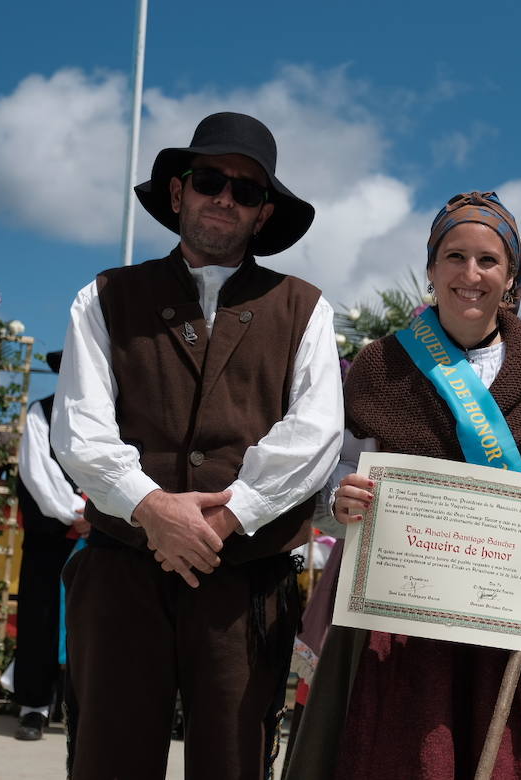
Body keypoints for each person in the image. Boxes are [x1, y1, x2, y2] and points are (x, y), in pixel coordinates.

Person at [52, 112, 344, 779]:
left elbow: (315, 433)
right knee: (108, 759)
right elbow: (80, 428)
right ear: (179, 191)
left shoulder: (305, 307)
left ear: (263, 213)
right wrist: (152, 508)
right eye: (210, 179)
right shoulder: (104, 297)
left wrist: (225, 516)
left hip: (243, 580)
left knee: (235, 763)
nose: (224, 198)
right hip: (122, 569)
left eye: (245, 191)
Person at [293, 190, 521, 780]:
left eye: (488, 261)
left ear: (511, 278)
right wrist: (339, 497)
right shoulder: (381, 364)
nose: (470, 274)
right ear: (432, 269)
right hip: (399, 621)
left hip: (505, 623)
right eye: (454, 257)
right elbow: (337, 467)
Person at [12, 350, 88, 742]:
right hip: (54, 533)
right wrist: (78, 511)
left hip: (102, 535)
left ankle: (89, 708)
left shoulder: (111, 414)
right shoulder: (41, 412)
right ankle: (34, 707)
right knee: (41, 615)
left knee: (99, 624)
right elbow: (38, 473)